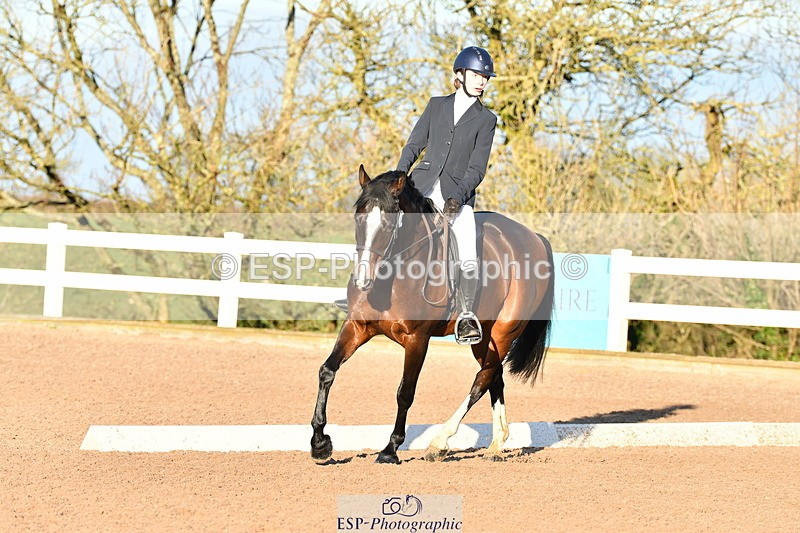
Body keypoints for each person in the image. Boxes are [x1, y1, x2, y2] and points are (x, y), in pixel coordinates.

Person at [396, 46, 498, 344]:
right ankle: (364, 291)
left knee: (466, 246)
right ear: (460, 74)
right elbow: (414, 145)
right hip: (421, 186)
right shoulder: (436, 105)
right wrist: (399, 177)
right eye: (476, 75)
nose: (481, 81)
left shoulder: (486, 119)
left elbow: (477, 168)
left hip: (456, 194)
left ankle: (465, 315)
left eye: (485, 77)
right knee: (384, 228)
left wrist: (458, 197)